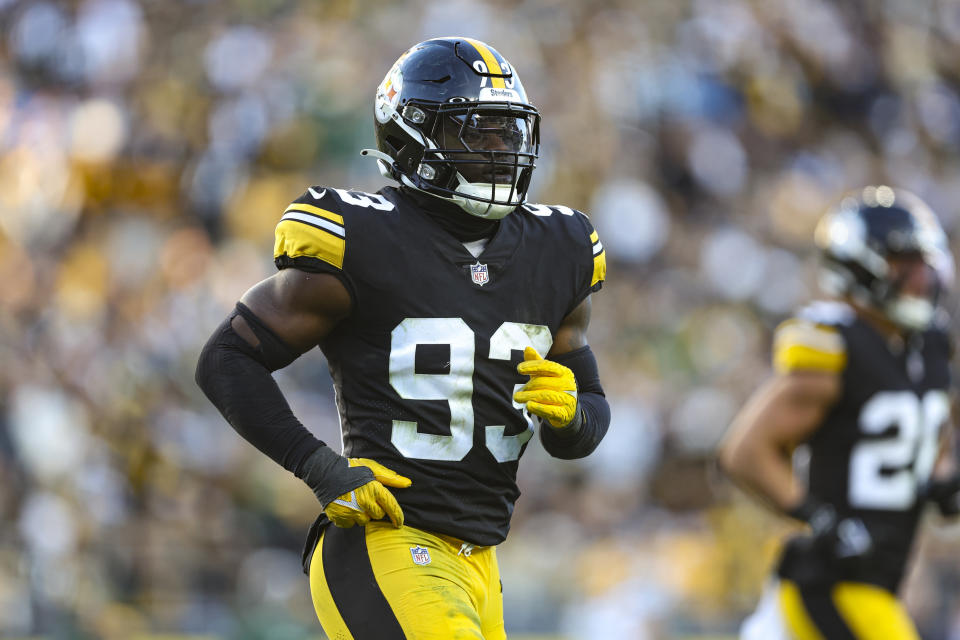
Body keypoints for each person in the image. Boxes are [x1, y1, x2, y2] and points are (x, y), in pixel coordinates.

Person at [195, 37, 610, 639]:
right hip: (387, 543)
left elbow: (588, 418)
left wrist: (572, 416)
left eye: (507, 133)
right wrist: (320, 468)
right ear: (415, 139)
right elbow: (226, 357)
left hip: (482, 562)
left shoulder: (560, 249)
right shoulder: (362, 236)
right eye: (478, 132)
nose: (501, 151)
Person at [719, 185, 959, 640]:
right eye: (904, 265)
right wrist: (820, 518)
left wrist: (942, 473)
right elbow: (744, 451)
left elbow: (931, 422)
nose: (921, 279)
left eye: (923, 265)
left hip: (875, 582)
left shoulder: (929, 344)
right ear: (860, 267)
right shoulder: (836, 347)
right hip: (829, 584)